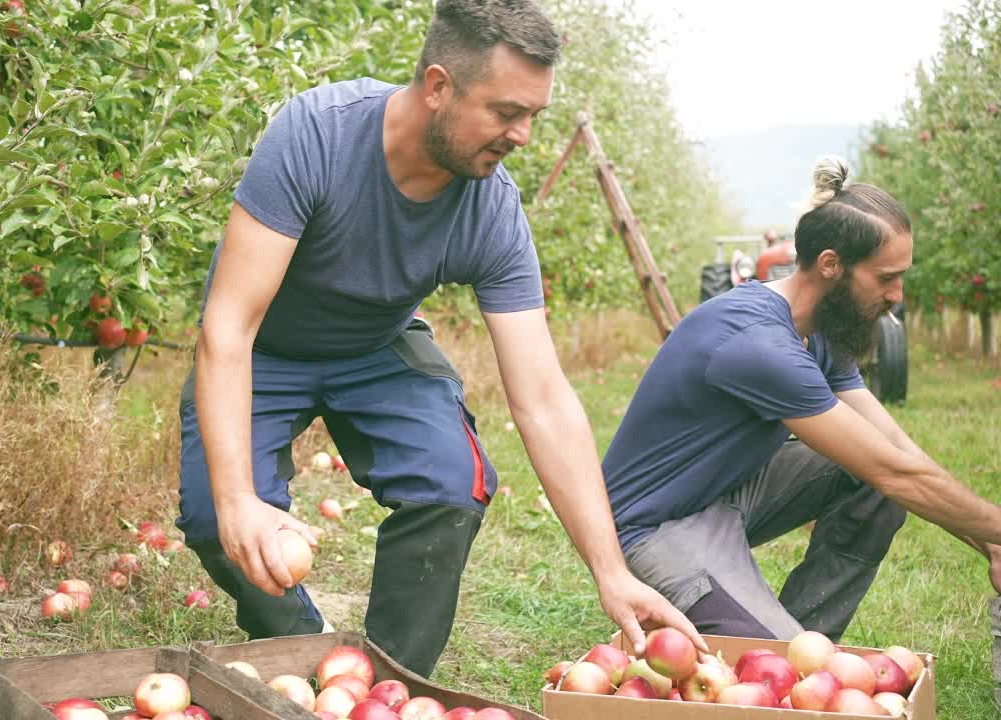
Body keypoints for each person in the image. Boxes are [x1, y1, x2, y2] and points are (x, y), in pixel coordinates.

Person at [173, 0, 703, 677]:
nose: (523, 137)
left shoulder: (491, 209)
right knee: (215, 513)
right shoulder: (317, 135)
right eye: (506, 112)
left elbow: (543, 400)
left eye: (533, 116)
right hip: (264, 347)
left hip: (376, 346)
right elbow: (229, 326)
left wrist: (611, 571)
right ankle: (300, 641)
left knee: (453, 484)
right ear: (437, 86)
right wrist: (238, 501)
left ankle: (390, 680)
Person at [602, 156, 1001, 642]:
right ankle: (785, 651)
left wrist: (989, 543)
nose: (897, 294)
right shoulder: (758, 342)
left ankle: (806, 640)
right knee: (779, 678)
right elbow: (894, 472)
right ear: (831, 265)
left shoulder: (821, 330)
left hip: (727, 492)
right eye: (885, 277)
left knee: (872, 482)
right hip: (657, 526)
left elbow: (896, 451)